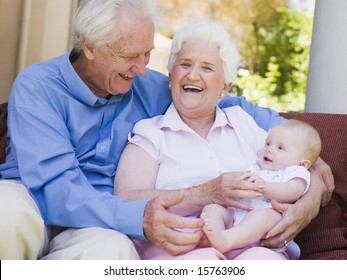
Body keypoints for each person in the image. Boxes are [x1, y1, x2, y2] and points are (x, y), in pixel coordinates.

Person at [0, 0, 332, 260]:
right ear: (90, 47)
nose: (143, 69)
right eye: (131, 56)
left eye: (147, 55)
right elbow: (57, 191)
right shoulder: (37, 88)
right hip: (34, 199)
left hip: (100, 221)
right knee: (5, 215)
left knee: (111, 253)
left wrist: (312, 182)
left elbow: (229, 104)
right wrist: (141, 216)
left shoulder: (143, 83)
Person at [114, 18, 331, 260]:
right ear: (171, 75)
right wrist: (203, 194)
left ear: (225, 87)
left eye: (207, 68)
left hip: (253, 247)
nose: (193, 75)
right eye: (184, 64)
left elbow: (293, 163)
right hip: (179, 249)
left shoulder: (242, 122)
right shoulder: (150, 133)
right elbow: (126, 200)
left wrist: (308, 199)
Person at [201, 119, 321, 256]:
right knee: (213, 209)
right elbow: (233, 182)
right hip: (239, 214)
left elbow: (292, 191)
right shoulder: (256, 167)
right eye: (268, 143)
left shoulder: (296, 172)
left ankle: (226, 240)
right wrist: (205, 184)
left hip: (267, 222)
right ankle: (214, 234)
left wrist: (263, 186)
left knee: (263, 216)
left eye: (280, 148)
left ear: (303, 164)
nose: (269, 149)